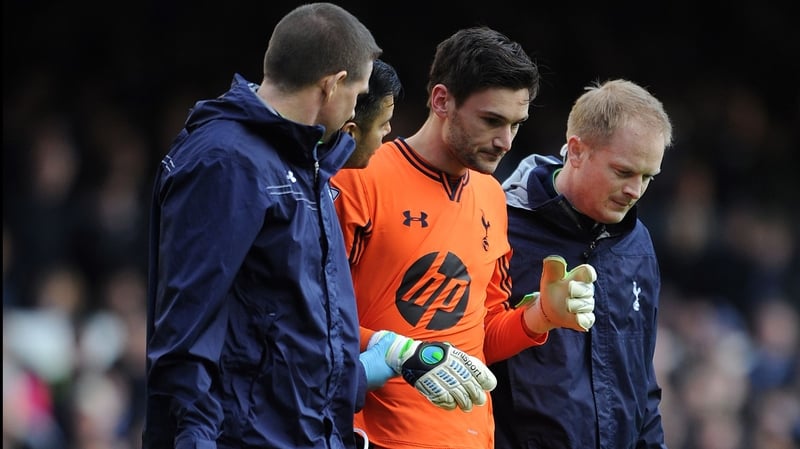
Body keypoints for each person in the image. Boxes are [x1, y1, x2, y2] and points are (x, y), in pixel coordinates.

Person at [331, 26, 598, 449]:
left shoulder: (492, 196)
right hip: (373, 438)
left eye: (516, 124)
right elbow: (314, 318)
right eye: (491, 120)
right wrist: (394, 351)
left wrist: (542, 315)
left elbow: (480, 338)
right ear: (442, 101)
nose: (506, 141)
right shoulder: (360, 177)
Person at [143, 4, 387, 448]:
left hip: (305, 433)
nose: (357, 106)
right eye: (358, 92)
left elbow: (296, 319)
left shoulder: (303, 164)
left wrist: (360, 374)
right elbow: (187, 327)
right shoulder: (226, 162)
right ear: (331, 85)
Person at [491, 79, 674, 449]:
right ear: (576, 151)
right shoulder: (500, 225)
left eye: (647, 177)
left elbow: (642, 384)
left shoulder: (638, 244)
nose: (635, 191)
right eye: (623, 172)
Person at [342, 58, 403, 169]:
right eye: (382, 124)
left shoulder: (317, 178)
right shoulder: (306, 182)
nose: (389, 129)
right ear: (350, 133)